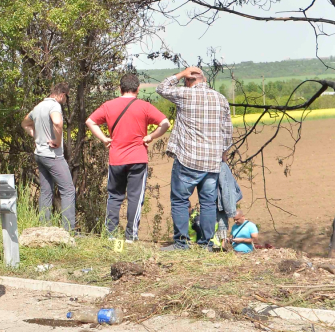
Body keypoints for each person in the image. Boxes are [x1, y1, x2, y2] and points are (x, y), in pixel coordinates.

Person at [86, 74, 170, 242]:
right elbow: (165, 123)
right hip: (138, 158)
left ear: (120, 88)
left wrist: (104, 139)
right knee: (135, 198)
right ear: (138, 89)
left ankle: (110, 235)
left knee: (114, 197)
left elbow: (90, 121)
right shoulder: (144, 107)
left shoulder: (109, 106)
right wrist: (151, 137)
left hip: (116, 158)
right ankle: (130, 237)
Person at [156, 66, 232, 250]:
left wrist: (181, 73)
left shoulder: (185, 94)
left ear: (189, 81)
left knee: (180, 200)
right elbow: (228, 133)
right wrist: (222, 157)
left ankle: (181, 243)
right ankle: (206, 243)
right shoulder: (221, 99)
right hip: (212, 162)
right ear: (204, 80)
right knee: (207, 202)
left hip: (188, 160)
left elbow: (162, 88)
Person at [21, 83, 76, 230]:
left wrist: (36, 137)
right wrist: (57, 141)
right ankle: (69, 230)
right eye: (67, 97)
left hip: (40, 154)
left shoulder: (38, 107)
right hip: (53, 156)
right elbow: (57, 123)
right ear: (62, 94)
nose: (66, 100)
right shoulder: (55, 106)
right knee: (68, 190)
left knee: (46, 191)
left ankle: (44, 227)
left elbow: (25, 123)